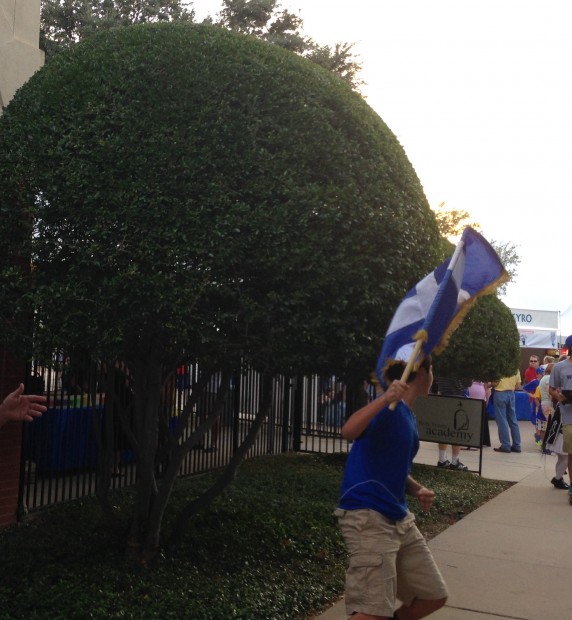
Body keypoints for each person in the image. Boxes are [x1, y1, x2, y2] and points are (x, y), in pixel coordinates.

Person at [335, 353, 448, 620]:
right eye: (433, 371)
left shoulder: (407, 415)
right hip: (368, 516)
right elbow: (349, 430)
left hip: (398, 517)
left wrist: (417, 488)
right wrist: (385, 399)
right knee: (372, 612)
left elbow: (394, 468)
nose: (434, 378)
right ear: (423, 372)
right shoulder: (389, 409)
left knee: (432, 595)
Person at [548, 338, 572, 501]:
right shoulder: (559, 367)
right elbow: (551, 389)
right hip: (568, 416)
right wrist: (560, 396)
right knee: (571, 454)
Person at [434, 376, 469, 470]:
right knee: (457, 429)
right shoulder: (458, 365)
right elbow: (466, 382)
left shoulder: (442, 364)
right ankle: (455, 461)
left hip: (443, 396)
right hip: (457, 397)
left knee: (444, 427)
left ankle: (442, 459)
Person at [492, 369, 522, 453]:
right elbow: (518, 384)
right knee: (513, 420)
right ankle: (517, 445)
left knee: (502, 420)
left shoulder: (500, 368)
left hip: (500, 393)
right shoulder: (516, 369)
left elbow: (495, 383)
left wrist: (491, 384)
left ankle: (505, 445)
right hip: (511, 393)